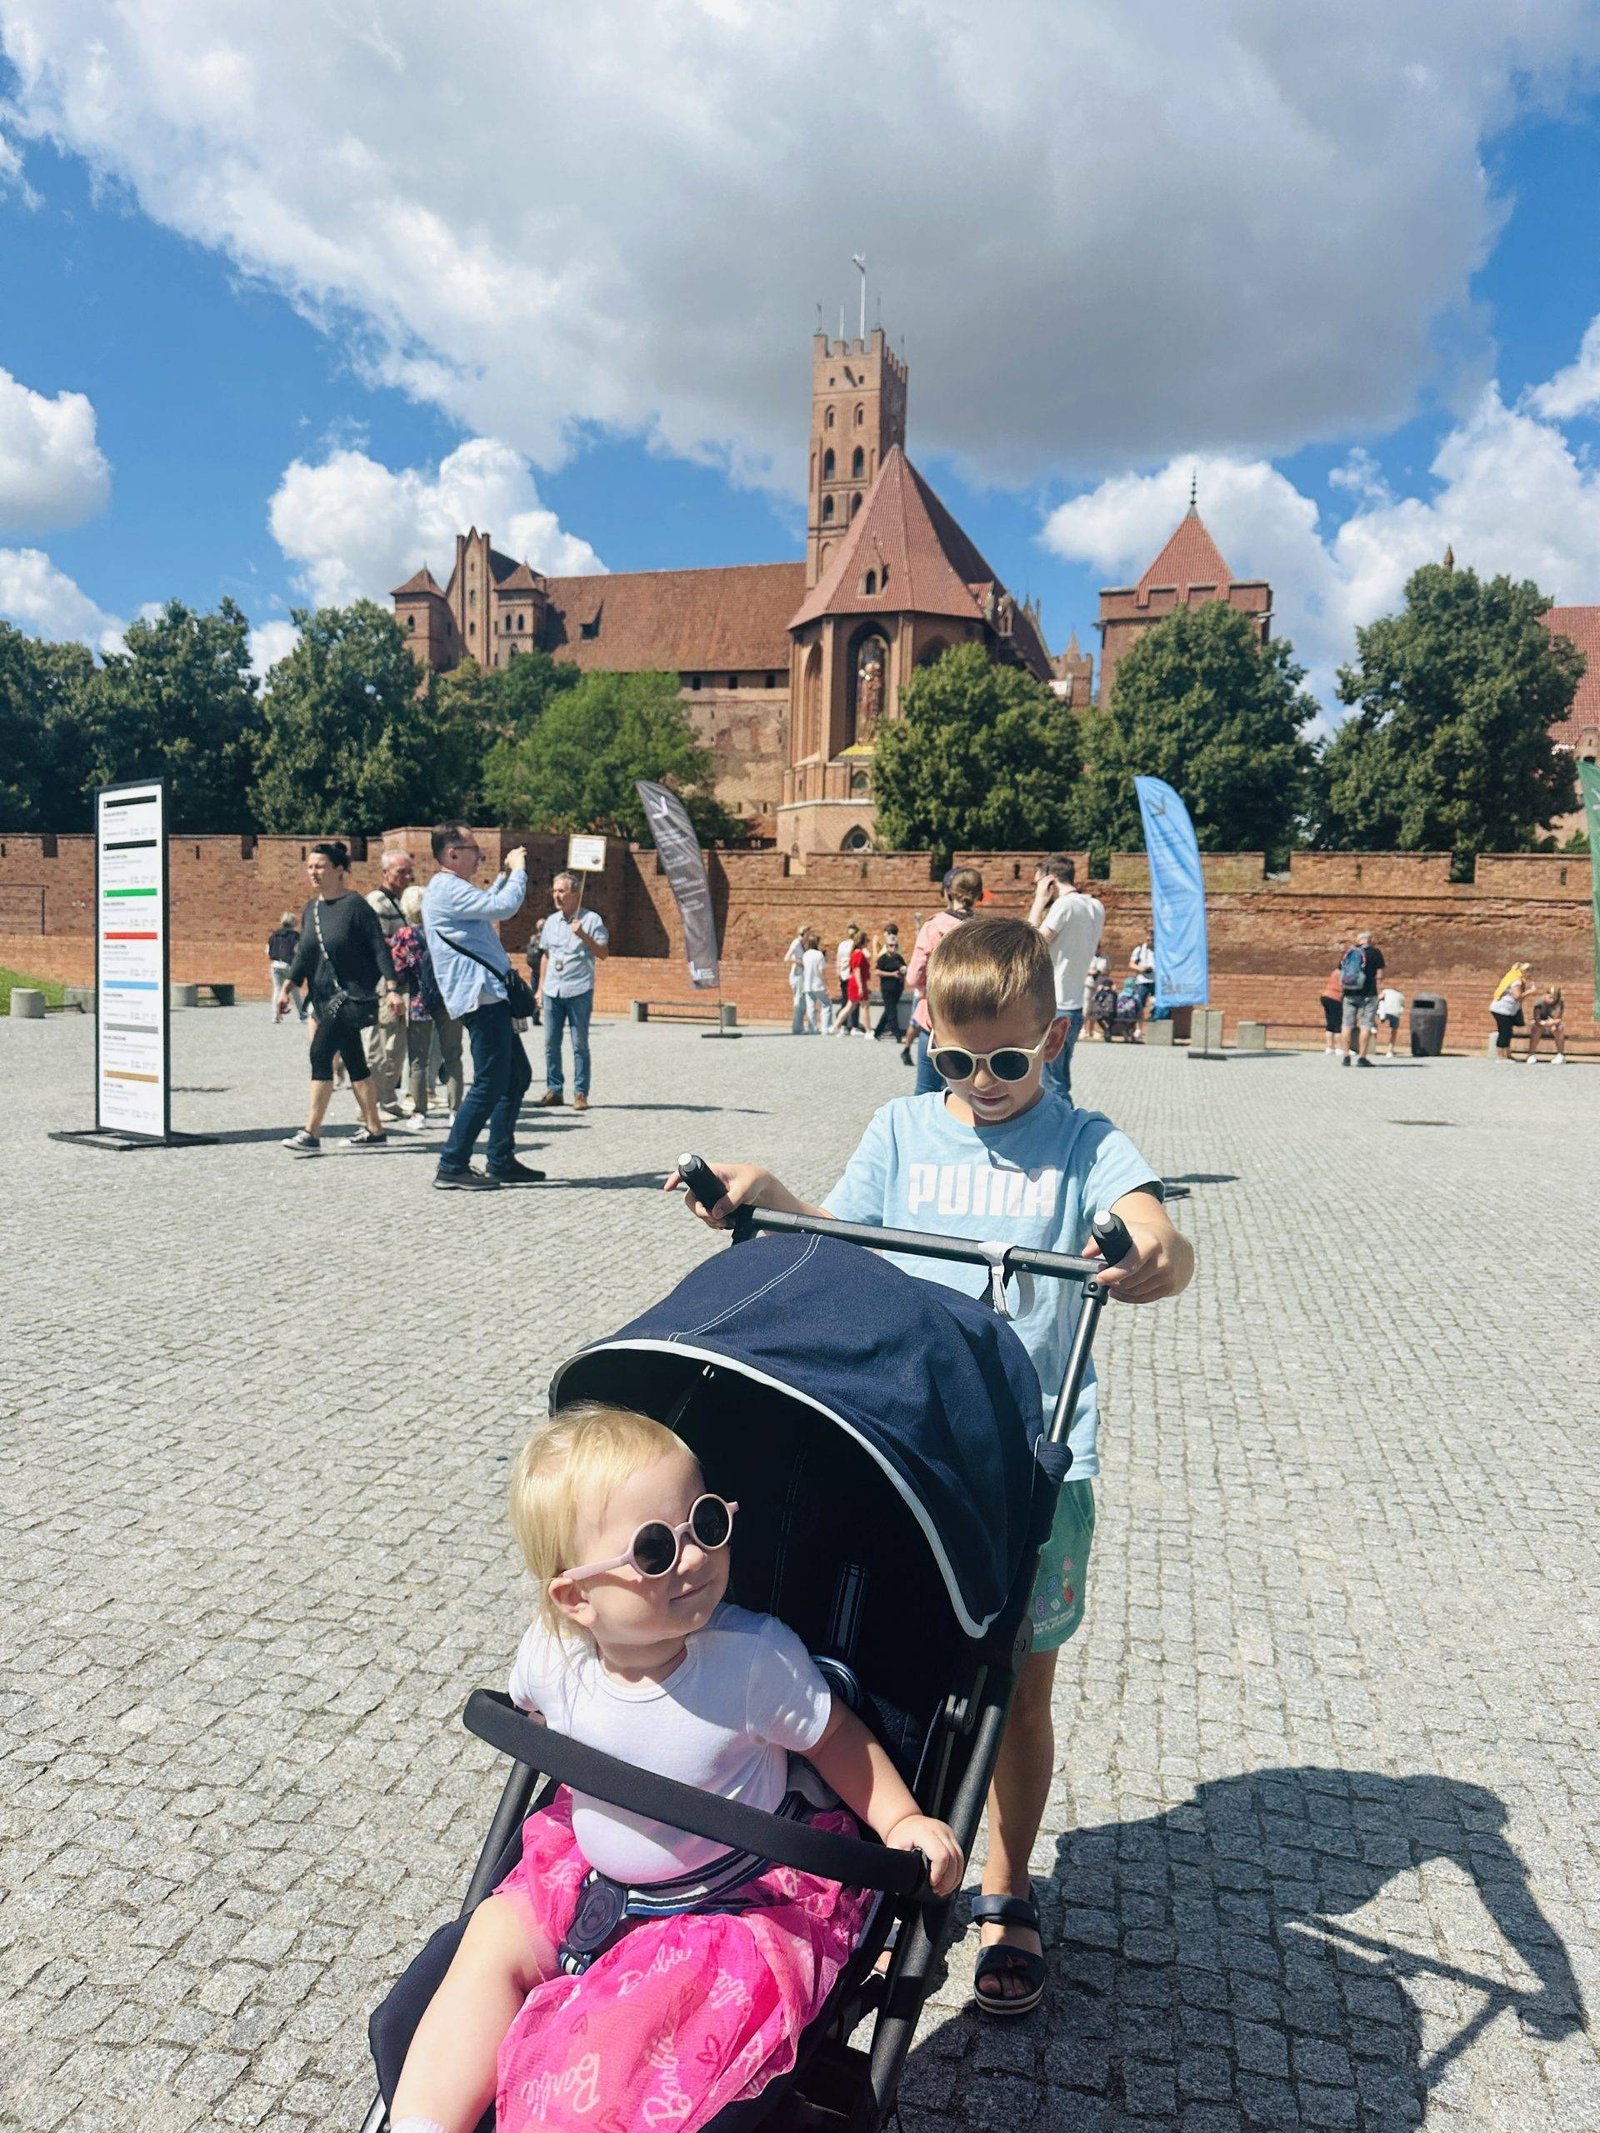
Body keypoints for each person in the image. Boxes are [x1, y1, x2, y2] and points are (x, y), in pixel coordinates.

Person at [670, 915, 1193, 2017]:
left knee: (1017, 1684)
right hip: (909, 1440)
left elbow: (1152, 1225)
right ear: (926, 1040)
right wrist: (767, 1196)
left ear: (1053, 1039)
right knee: (880, 1650)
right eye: (955, 1061)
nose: (982, 1084)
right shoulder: (902, 1130)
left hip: (1033, 1462)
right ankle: (869, 1852)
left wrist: (1156, 1248)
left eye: (1006, 1061)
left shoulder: (1084, 1142)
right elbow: (839, 1238)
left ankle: (1008, 1886)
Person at [387, 1402, 961, 2133]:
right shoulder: (553, 1656)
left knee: (625, 2039)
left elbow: (836, 1739)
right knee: (492, 1936)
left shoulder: (753, 1661)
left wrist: (901, 1818)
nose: (692, 1557)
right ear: (576, 1597)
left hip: (721, 1906)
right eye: (654, 1549)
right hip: (584, 1877)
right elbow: (538, 1716)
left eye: (706, 1523)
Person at [422, 827, 545, 1192]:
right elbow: (503, 907)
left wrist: (504, 875)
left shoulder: (453, 889)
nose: (480, 855)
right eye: (473, 849)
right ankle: (452, 1163)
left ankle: (500, 1158)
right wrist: (519, 871)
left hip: (488, 996)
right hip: (480, 998)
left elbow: (489, 901)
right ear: (452, 853)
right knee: (491, 1081)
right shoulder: (446, 888)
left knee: (516, 1076)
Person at [275, 842, 401, 1154]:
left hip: (349, 996)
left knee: (320, 1054)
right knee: (355, 1062)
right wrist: (288, 986)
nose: (313, 872)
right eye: (310, 867)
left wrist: (392, 987)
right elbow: (304, 953)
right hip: (321, 997)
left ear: (339, 869)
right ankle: (375, 1130)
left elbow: (378, 947)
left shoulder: (356, 906)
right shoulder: (312, 909)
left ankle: (311, 1133)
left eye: (320, 866)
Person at [1028, 854, 1104, 1103]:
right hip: (1074, 1004)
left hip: (1054, 1004)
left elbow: (1031, 945)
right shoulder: (1095, 906)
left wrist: (1039, 900)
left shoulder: (1065, 905)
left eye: (1038, 882)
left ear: (1050, 880)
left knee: (1051, 1086)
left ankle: (1063, 1125)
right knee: (1058, 1080)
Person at [391, 884, 465, 1129]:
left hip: (419, 1002)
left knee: (418, 1061)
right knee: (453, 1056)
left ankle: (419, 1113)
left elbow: (398, 970)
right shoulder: (446, 931)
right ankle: (455, 1111)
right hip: (450, 1001)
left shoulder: (405, 935)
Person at [535, 872, 610, 1112]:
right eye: (555, 891)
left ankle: (580, 1092)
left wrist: (583, 935)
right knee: (550, 1043)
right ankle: (554, 1089)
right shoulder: (551, 921)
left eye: (562, 891)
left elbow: (603, 953)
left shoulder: (592, 920)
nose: (556, 895)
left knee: (579, 1044)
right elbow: (546, 956)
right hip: (552, 990)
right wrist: (539, 988)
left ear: (575, 894)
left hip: (578, 989)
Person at [903, 867, 983, 1092]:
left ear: (949, 893)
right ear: (979, 894)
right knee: (967, 1093)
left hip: (936, 1016)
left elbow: (914, 975)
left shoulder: (934, 926)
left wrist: (927, 986)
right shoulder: (985, 929)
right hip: (975, 1019)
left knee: (926, 1092)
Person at [365, 850, 416, 1120]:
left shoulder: (399, 901)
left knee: (397, 1043)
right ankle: (370, 1106)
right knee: (382, 1041)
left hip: (400, 980)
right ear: (385, 873)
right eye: (401, 872)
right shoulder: (377, 902)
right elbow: (378, 943)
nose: (408, 877)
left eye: (409, 871)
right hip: (384, 982)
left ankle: (387, 1098)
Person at [1338, 930, 1385, 1067]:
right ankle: (1362, 1057)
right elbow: (1380, 975)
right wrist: (1380, 990)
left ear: (1358, 940)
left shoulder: (1350, 952)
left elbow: (1341, 971)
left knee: (1346, 1025)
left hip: (1349, 993)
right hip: (1368, 993)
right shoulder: (1375, 953)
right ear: (1370, 940)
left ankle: (1346, 1056)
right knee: (1366, 1025)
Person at [1489, 962, 1532, 1063]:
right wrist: (1530, 992)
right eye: (1529, 972)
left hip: (1507, 1010)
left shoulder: (1514, 978)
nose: (1530, 974)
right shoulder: (1516, 981)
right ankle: (1501, 1057)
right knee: (1504, 1032)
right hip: (1502, 1009)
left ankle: (1507, 1054)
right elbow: (1517, 996)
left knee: (1508, 1032)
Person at [267, 911, 305, 1021]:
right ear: (293, 922)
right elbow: (298, 950)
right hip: (289, 964)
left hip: (275, 964)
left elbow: (268, 950)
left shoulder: (274, 935)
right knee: (294, 989)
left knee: (277, 989)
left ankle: (275, 1015)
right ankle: (301, 1013)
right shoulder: (295, 936)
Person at [834, 930, 872, 1037]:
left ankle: (836, 1026)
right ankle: (868, 1031)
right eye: (866, 941)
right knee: (864, 1006)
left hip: (856, 982)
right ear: (863, 942)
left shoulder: (855, 952)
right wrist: (860, 986)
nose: (867, 943)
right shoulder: (858, 953)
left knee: (850, 1006)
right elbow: (857, 970)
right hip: (858, 983)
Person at [873, 925, 907, 1040]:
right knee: (892, 1011)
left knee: (889, 1011)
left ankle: (877, 1032)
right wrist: (891, 974)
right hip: (887, 988)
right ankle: (898, 1035)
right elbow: (877, 971)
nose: (893, 947)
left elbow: (903, 967)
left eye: (895, 945)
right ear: (887, 946)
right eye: (891, 945)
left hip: (897, 987)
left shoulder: (898, 957)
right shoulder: (883, 958)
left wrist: (903, 971)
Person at [1528, 983, 1567, 1064]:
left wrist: (1553, 1023)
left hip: (1552, 1022)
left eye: (1554, 998)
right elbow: (1537, 1019)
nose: (1552, 1000)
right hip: (1541, 1022)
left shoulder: (1560, 1002)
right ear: (1546, 994)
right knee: (1536, 1028)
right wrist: (1545, 1024)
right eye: (1550, 997)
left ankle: (1560, 1055)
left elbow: (1559, 1018)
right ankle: (1531, 1054)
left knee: (1559, 1028)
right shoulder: (1539, 1002)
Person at [801, 928, 831, 1033]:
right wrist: (826, 985)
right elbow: (821, 971)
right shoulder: (819, 955)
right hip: (818, 984)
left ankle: (812, 1028)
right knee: (826, 1005)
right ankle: (825, 1028)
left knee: (810, 1007)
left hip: (807, 984)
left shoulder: (805, 955)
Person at [1318, 954, 1346, 1056]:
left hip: (1325, 996)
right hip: (1335, 998)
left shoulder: (1335, 972)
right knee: (1338, 1023)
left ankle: (1329, 1047)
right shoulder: (1343, 974)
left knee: (1330, 1023)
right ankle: (1339, 1048)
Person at [834, 924, 861, 1027]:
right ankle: (854, 1026)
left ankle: (843, 1026)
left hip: (843, 975)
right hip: (852, 975)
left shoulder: (842, 945)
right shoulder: (855, 945)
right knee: (855, 1001)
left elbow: (838, 961)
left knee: (845, 1000)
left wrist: (839, 975)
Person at [784, 927, 807, 1035]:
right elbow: (787, 958)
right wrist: (800, 962)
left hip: (800, 975)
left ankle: (799, 1026)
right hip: (796, 975)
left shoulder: (802, 944)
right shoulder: (796, 943)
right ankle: (797, 1028)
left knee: (801, 1001)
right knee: (798, 1000)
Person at [1375, 979, 1404, 1060]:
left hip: (1384, 1012)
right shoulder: (1401, 995)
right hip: (1395, 1013)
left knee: (1373, 1022)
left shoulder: (1386, 991)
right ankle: (1390, 1050)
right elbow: (1402, 1005)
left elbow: (1379, 998)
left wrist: (1376, 1007)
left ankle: (1373, 1031)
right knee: (1394, 1031)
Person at [1127, 938, 1155, 1014]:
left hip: (1155, 981)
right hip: (1142, 981)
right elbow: (1131, 964)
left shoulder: (1159, 949)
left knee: (1156, 1005)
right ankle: (1139, 1020)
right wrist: (1141, 968)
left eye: (1152, 940)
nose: (1150, 942)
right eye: (1148, 940)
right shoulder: (1139, 949)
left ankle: (1154, 1019)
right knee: (1139, 1004)